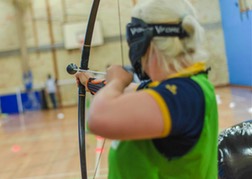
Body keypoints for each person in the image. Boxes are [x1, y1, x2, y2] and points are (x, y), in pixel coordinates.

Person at [75, 0, 218, 178]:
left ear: (148, 45)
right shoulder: (178, 87)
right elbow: (135, 92)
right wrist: (90, 82)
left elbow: (98, 119)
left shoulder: (184, 95)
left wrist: (116, 83)